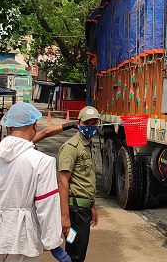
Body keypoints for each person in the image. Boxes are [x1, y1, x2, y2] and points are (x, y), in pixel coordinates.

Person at [0, 103, 71, 262]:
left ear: (8, 128)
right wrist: (53, 244)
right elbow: (46, 205)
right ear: (34, 125)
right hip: (24, 238)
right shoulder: (42, 162)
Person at [58, 106, 100, 262]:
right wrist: (65, 217)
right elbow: (63, 181)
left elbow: (87, 180)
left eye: (94, 123)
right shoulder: (71, 147)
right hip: (75, 211)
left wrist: (93, 207)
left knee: (78, 252)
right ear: (78, 123)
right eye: (86, 123)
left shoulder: (88, 146)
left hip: (84, 209)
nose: (90, 126)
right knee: (74, 253)